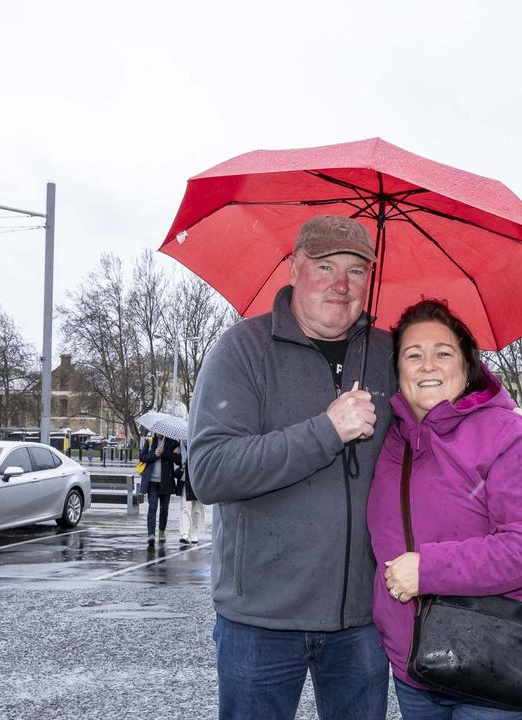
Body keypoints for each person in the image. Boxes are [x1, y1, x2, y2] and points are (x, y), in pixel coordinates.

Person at [189, 215, 394, 720]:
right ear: (294, 268)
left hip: (363, 621)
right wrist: (325, 431)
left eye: (356, 270)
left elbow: (448, 421)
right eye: (324, 266)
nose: (340, 284)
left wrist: (511, 433)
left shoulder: (391, 354)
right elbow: (210, 471)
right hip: (261, 619)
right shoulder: (242, 350)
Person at [369, 299, 522, 719]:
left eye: (442, 353)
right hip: (417, 670)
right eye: (413, 355)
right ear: (398, 372)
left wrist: (427, 570)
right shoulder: (387, 440)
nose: (427, 365)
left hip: (500, 666)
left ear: (467, 366)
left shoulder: (508, 435)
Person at [138, 432, 180, 545]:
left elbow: (178, 459)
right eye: (157, 431)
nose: (159, 432)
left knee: (164, 509)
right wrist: (155, 454)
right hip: (152, 482)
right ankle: (151, 534)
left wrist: (165, 452)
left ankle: (162, 531)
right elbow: (142, 457)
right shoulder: (150, 441)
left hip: (166, 482)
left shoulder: (173, 442)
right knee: (152, 507)